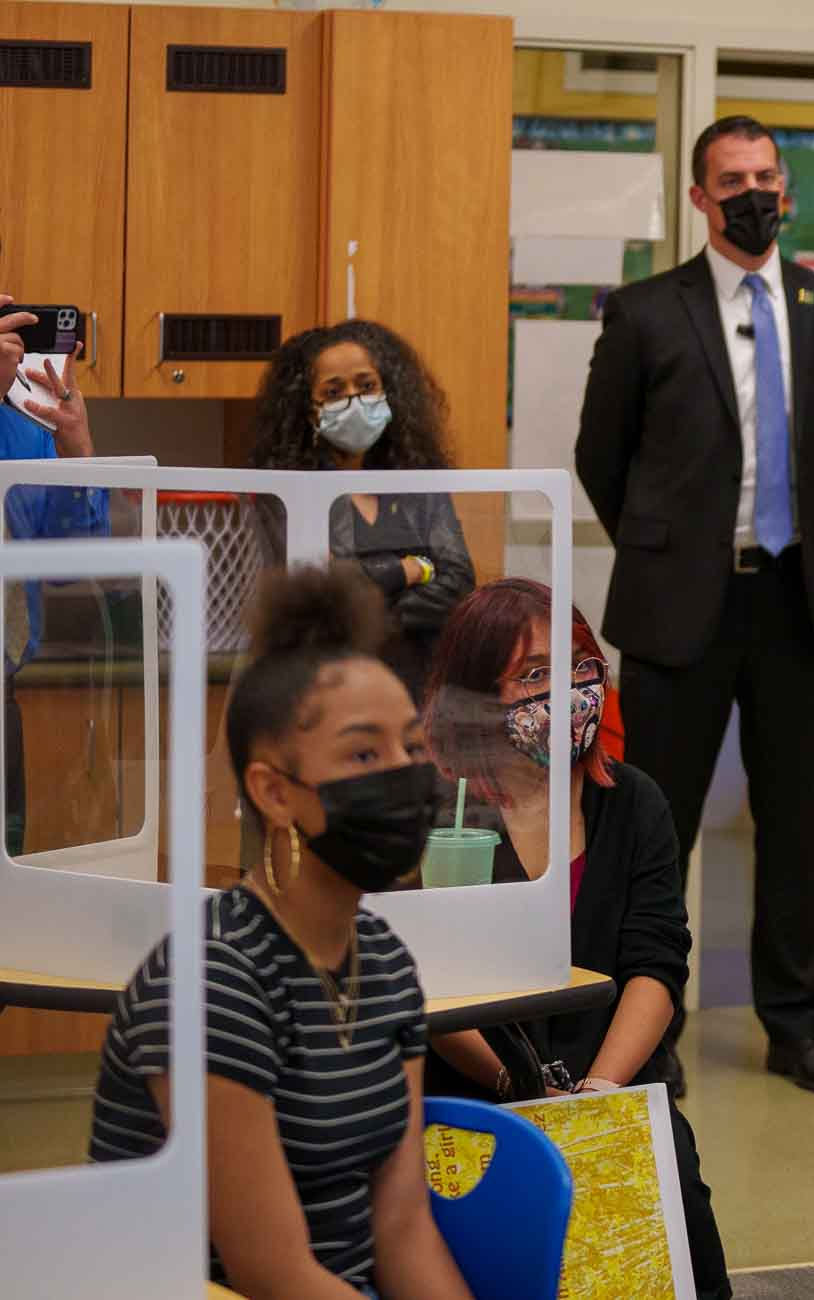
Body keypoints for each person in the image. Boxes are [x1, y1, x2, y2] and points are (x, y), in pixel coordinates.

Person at [576, 114, 814, 1097]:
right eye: (730, 178)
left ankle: (796, 1024)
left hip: (801, 606)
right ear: (699, 197)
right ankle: (644, 1032)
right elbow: (599, 456)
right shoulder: (647, 310)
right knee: (656, 825)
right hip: (678, 610)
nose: (752, 192)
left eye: (764, 175)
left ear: (783, 186)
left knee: (796, 828)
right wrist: (666, 551)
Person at [89, 564, 471, 1300]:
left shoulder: (386, 964)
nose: (402, 774)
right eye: (364, 754)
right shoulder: (210, 981)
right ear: (273, 792)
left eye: (413, 749)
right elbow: (271, 1273)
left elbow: (402, 1229)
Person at [419, 579, 731, 1300]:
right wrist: (515, 1085)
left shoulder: (634, 802)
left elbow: (657, 965)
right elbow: (426, 991)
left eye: (580, 667)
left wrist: (598, 1093)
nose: (564, 692)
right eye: (533, 675)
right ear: (475, 696)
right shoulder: (442, 820)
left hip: (605, 1077)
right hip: (474, 1087)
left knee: (670, 1184)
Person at [246, 319, 476, 703]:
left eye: (366, 386)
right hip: (324, 687)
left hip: (421, 689)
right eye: (334, 392)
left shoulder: (416, 480)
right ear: (308, 410)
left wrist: (361, 616)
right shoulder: (286, 490)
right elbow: (319, 584)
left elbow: (457, 580)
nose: (353, 400)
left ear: (389, 392)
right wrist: (413, 567)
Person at [0, 294, 110, 855]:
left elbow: (77, 561)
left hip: (3, 693)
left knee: (9, 883)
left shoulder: (23, 424)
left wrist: (76, 447)